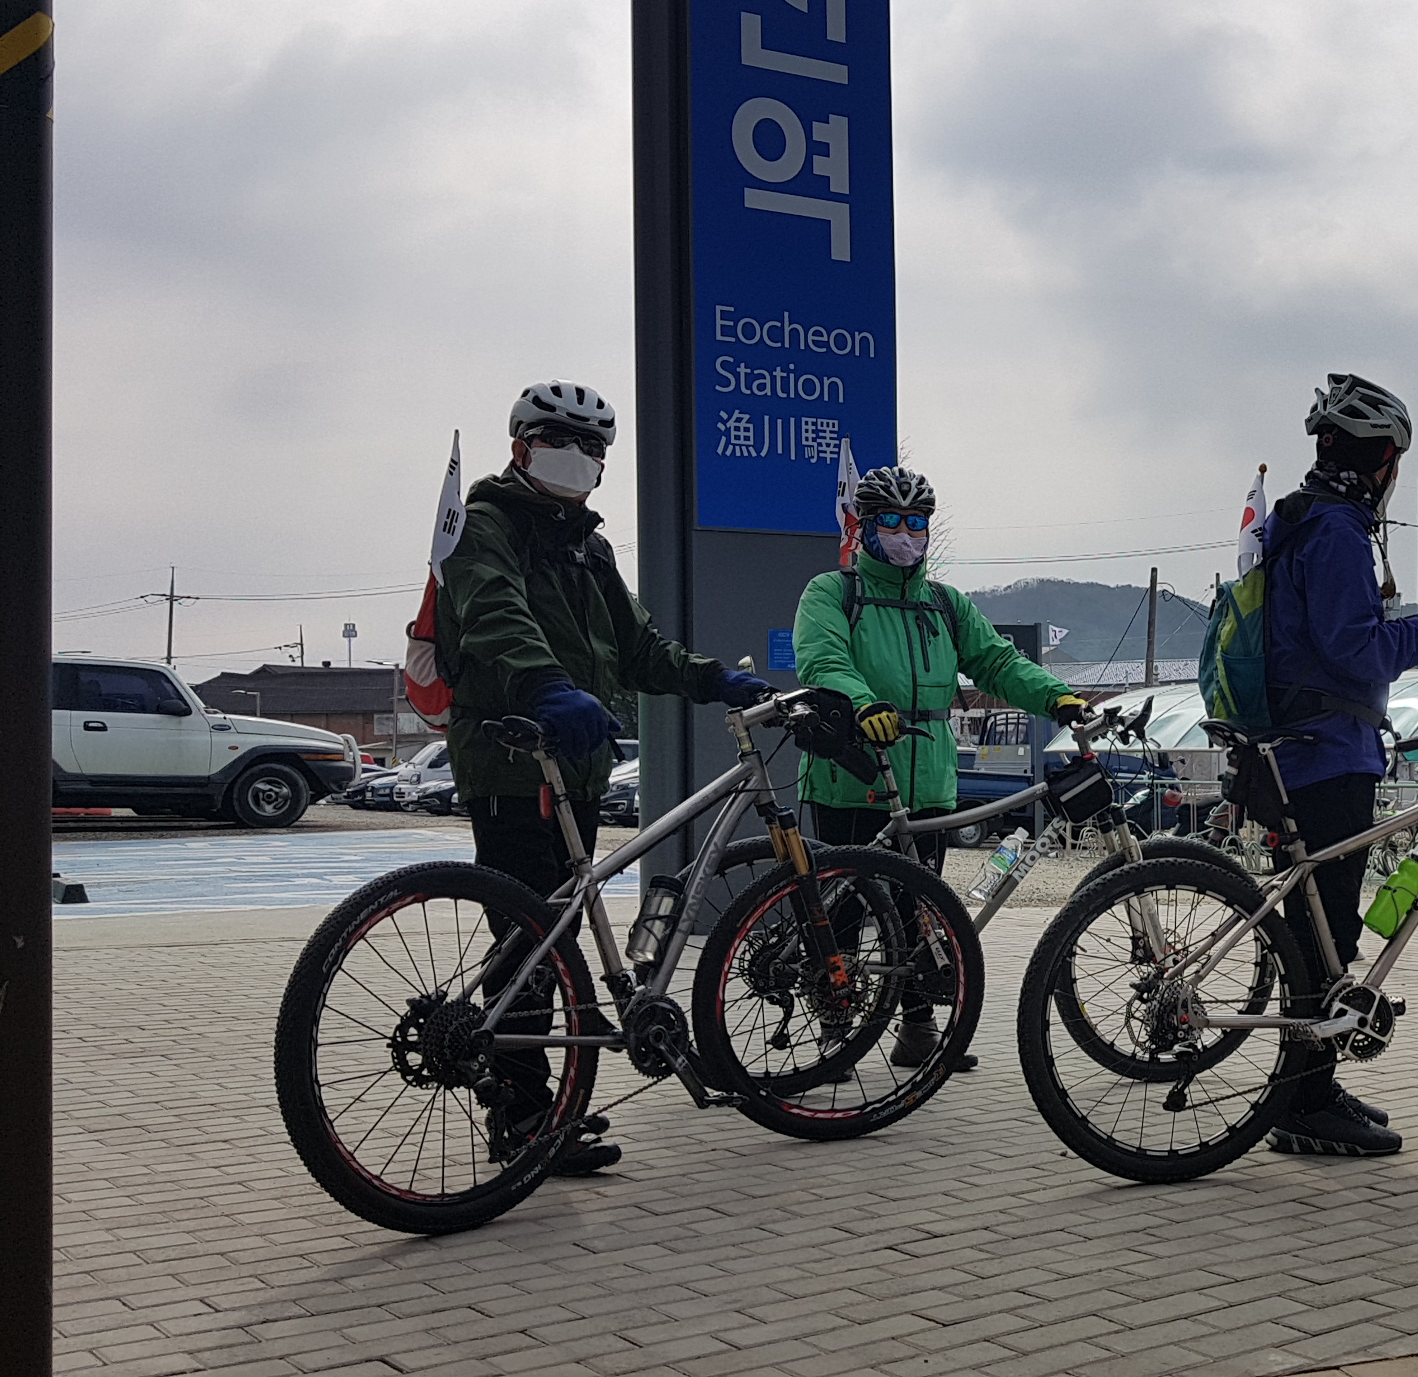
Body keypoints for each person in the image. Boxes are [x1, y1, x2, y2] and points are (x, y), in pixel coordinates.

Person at [441, 380, 776, 1175]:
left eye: (593, 447)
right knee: (530, 945)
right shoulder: (486, 524)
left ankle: (547, 1106)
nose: (579, 457)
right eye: (561, 441)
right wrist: (546, 685)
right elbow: (493, 613)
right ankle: (524, 1120)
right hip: (512, 756)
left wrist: (716, 679)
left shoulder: (588, 548)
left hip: (577, 766)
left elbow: (638, 648)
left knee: (551, 938)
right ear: (521, 448)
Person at [1258, 373, 1418, 1157]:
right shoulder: (1336, 530)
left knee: (1316, 932)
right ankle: (1303, 1104)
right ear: (1383, 459)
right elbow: (1353, 649)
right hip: (1327, 752)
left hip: (1297, 746)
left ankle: (1310, 1087)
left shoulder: (1298, 519)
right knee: (1325, 935)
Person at [792, 463, 1088, 1071]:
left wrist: (1056, 696)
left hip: (926, 779)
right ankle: (835, 1032)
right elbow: (822, 660)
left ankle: (918, 1027)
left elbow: (998, 662)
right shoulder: (832, 592)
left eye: (917, 523)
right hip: (852, 774)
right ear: (865, 526)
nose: (906, 534)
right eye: (891, 521)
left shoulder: (946, 604)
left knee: (919, 909)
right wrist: (862, 703)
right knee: (841, 912)